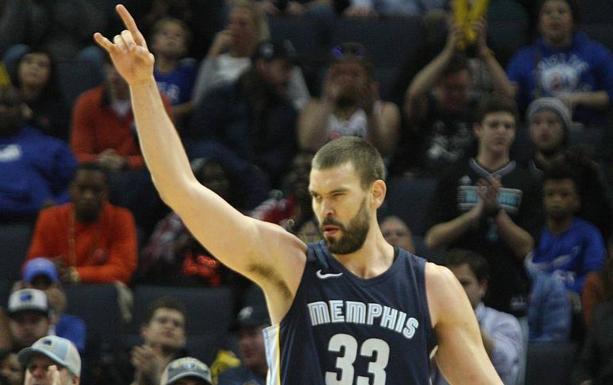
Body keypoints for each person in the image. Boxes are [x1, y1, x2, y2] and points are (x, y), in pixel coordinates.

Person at [93, 5, 504, 385]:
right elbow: (180, 189)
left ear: (376, 193)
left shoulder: (433, 285)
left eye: (338, 195)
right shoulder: (291, 263)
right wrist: (143, 84)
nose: (324, 210)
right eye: (316, 196)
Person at [425, 95, 542, 316]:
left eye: (508, 126)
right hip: (459, 287)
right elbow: (433, 238)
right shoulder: (454, 175)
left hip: (508, 287)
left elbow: (527, 247)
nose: (501, 131)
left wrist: (496, 212)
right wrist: (474, 215)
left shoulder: (527, 181)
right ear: (478, 129)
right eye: (494, 125)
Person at [404, 17, 511, 175]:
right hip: (427, 178)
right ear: (438, 86)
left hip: (468, 179)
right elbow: (414, 94)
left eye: (460, 89)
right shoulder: (429, 108)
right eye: (449, 88)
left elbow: (507, 96)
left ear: (470, 86)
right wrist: (448, 51)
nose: (455, 94)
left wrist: (483, 52)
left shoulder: (478, 109)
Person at [188, 39, 299, 188]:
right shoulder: (222, 96)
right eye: (284, 68)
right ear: (262, 66)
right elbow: (201, 139)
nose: (289, 76)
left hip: (260, 180)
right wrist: (241, 168)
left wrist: (259, 169)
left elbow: (283, 151)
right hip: (219, 173)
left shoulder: (285, 109)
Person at [504, 0, 613, 127]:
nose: (554, 16)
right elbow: (511, 97)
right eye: (547, 12)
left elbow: (610, 93)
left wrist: (579, 98)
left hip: (588, 128)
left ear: (573, 20)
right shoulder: (523, 58)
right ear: (539, 23)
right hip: (539, 131)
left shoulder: (596, 52)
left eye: (561, 12)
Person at [25, 163, 138, 284]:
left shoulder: (121, 218)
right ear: (71, 189)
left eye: (96, 190)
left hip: (103, 288)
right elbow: (31, 263)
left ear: (106, 193)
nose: (88, 196)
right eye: (82, 189)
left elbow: (123, 269)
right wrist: (46, 266)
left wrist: (78, 274)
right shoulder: (50, 217)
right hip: (56, 285)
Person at [192, 0, 309, 110]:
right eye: (231, 22)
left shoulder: (274, 59)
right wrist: (213, 52)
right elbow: (198, 102)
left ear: (257, 30)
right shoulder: (216, 62)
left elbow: (302, 101)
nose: (233, 28)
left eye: (242, 24)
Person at [524, 96, 612, 241]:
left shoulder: (584, 171)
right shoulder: (521, 169)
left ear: (565, 129)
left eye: (552, 122)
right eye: (537, 122)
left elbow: (600, 217)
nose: (544, 128)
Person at [298, 43, 400, 158]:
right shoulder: (313, 107)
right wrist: (328, 102)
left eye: (354, 75)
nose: (346, 80)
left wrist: (370, 113)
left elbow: (382, 151)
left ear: (369, 80)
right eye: (340, 74)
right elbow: (310, 147)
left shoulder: (385, 110)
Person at [436, 249, 523, 385]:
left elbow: (503, 363)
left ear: (482, 286)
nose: (455, 289)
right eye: (449, 283)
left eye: (464, 283)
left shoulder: (505, 322)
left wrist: (463, 319)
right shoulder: (433, 322)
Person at [526, 164, 606, 295]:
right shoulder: (532, 233)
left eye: (564, 194)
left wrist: (565, 293)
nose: (557, 200)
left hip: (575, 303)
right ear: (543, 200)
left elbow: (594, 276)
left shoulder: (589, 234)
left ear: (577, 201)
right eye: (550, 194)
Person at [0, 86, 76, 222]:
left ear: (23, 109)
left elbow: (75, 182)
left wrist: (58, 204)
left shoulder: (50, 146)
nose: (2, 110)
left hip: (36, 222)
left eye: (8, 105)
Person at [18, 258, 86, 352]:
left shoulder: (72, 324)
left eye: (45, 284)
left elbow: (68, 357)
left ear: (56, 286)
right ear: (24, 287)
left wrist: (55, 316)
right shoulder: (13, 321)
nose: (41, 290)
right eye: (35, 284)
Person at [9, 47, 70, 141]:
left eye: (42, 65)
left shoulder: (59, 106)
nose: (34, 67)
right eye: (28, 62)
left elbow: (58, 137)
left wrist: (31, 118)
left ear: (51, 73)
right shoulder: (6, 97)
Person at [150, 17, 197, 127]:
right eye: (165, 33)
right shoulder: (145, 71)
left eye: (178, 35)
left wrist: (167, 112)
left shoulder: (188, 72)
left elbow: (193, 104)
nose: (171, 38)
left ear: (184, 47)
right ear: (154, 43)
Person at [218, 288, 269, 385]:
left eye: (252, 334)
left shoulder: (293, 373)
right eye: (240, 337)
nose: (244, 342)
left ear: (270, 335)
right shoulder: (230, 378)